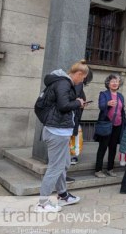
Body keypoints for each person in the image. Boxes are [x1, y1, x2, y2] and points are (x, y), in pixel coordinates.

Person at [35, 60, 89, 213]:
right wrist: (78, 102)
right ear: (79, 74)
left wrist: (76, 103)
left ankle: (63, 196)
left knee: (64, 164)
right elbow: (63, 106)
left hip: (60, 131)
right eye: (83, 78)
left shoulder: (62, 83)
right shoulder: (64, 83)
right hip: (56, 132)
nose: (81, 82)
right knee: (55, 168)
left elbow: (62, 105)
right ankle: (43, 203)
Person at [94, 74, 126, 178]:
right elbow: (101, 106)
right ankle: (98, 170)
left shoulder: (120, 96)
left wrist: (124, 124)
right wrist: (107, 103)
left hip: (118, 125)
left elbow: (122, 111)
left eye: (117, 81)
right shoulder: (104, 94)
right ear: (108, 83)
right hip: (106, 125)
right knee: (102, 147)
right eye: (113, 81)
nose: (115, 83)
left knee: (113, 148)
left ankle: (110, 169)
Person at [69, 69, 93, 167]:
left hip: (74, 115)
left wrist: (81, 103)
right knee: (73, 137)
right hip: (73, 116)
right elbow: (75, 99)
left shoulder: (76, 84)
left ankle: (71, 157)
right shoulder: (78, 84)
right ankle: (72, 157)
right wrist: (80, 103)